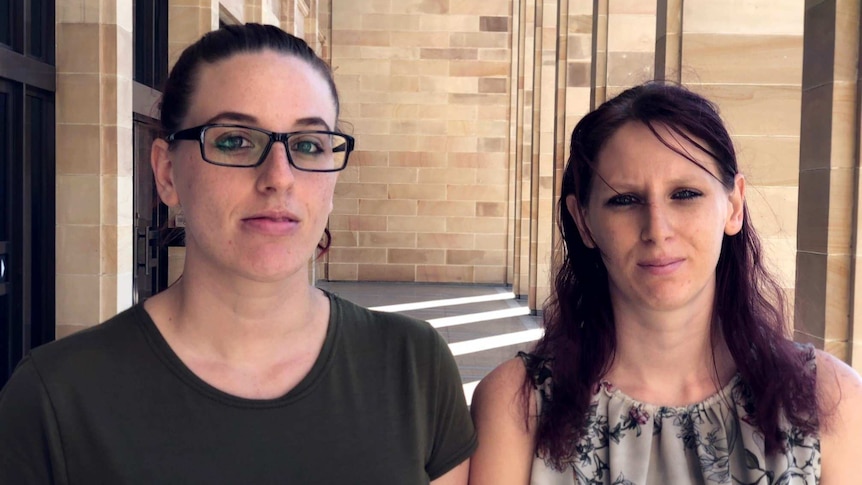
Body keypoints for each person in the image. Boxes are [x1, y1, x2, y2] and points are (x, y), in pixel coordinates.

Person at [0, 23, 475, 484]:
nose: (279, 176)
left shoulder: (413, 366)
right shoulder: (56, 399)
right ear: (167, 173)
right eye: (234, 141)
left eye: (308, 145)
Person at [468, 82, 862, 484]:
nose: (657, 230)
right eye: (624, 200)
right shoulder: (516, 405)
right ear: (584, 221)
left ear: (734, 205)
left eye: (685, 194)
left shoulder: (830, 400)